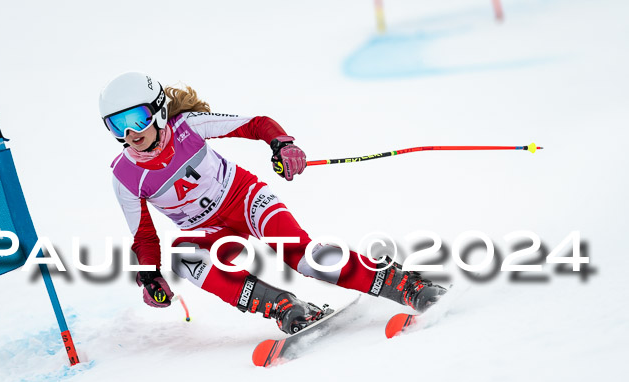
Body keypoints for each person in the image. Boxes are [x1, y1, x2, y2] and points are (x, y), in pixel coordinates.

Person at [99, 71, 446, 334]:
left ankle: (404, 284)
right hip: (206, 231)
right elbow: (144, 236)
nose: (131, 133)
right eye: (118, 124)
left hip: (244, 199)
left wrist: (282, 144)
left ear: (159, 111)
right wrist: (148, 274)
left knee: (304, 258)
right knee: (183, 258)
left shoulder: (188, 127)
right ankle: (282, 306)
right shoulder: (125, 177)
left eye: (137, 118)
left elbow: (255, 124)